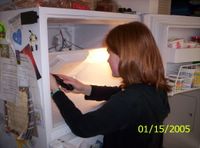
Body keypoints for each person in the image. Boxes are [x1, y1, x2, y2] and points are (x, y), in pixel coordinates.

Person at [50, 21, 171, 148]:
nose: (107, 59)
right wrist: (85, 88)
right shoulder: (156, 87)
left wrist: (56, 92)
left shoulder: (129, 101)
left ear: (125, 56)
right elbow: (120, 92)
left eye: (109, 53)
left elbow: (82, 127)